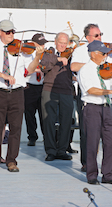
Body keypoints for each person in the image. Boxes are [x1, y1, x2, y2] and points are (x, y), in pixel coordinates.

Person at [71, 23, 112, 173]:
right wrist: (111, 91)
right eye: (103, 53)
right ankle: (92, 173)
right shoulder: (86, 70)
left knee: (110, 142)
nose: (106, 55)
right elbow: (91, 90)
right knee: (92, 141)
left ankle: (108, 173)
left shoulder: (104, 69)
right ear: (94, 53)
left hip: (106, 107)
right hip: (92, 107)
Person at [0, 19, 44, 172]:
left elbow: (31, 69)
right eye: (8, 32)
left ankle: (11, 160)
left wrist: (37, 57)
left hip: (17, 92)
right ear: (0, 32)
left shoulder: (21, 49)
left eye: (13, 31)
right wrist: (3, 75)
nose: (11, 34)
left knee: (16, 128)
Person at [40, 32, 73, 161]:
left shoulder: (72, 54)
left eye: (65, 43)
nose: (63, 45)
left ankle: (62, 150)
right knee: (48, 121)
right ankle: (51, 151)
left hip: (67, 91)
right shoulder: (48, 54)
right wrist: (57, 59)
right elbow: (44, 67)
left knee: (66, 121)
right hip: (49, 90)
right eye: (60, 42)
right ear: (55, 41)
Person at [24, 33, 47, 146]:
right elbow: (26, 71)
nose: (42, 46)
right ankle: (32, 137)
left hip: (42, 86)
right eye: (40, 44)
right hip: (30, 86)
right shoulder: (27, 54)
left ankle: (46, 136)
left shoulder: (46, 54)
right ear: (34, 44)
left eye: (43, 44)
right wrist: (38, 69)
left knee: (44, 114)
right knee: (29, 114)